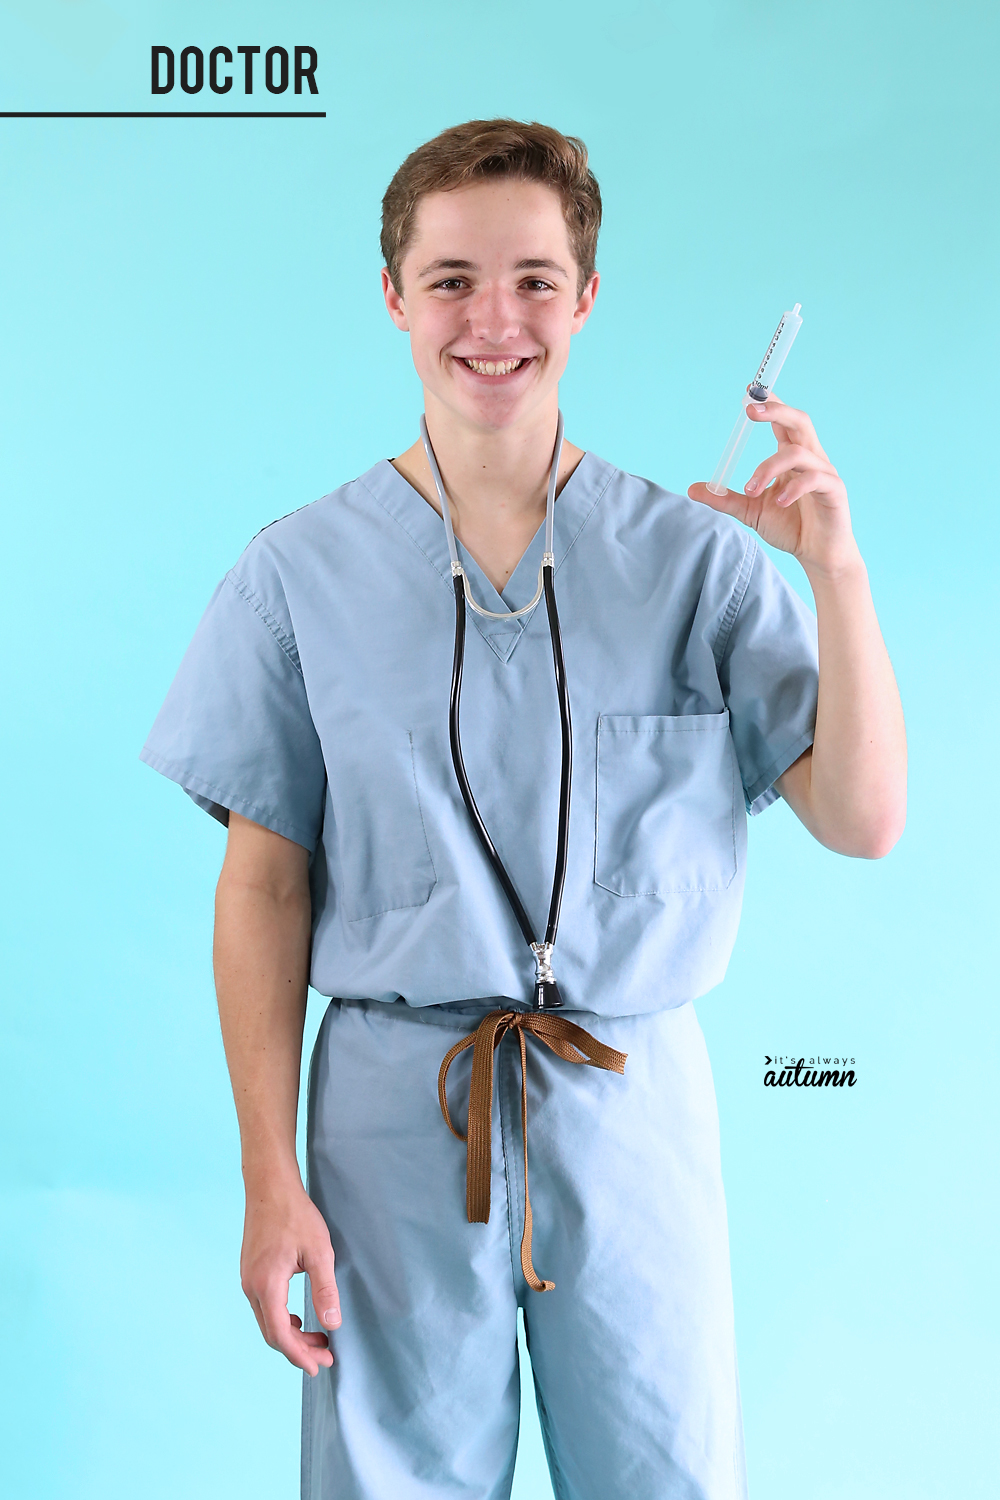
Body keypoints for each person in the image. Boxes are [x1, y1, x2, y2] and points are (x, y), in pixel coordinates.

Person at [140, 119, 906, 1500]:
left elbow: (862, 817)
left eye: (536, 280)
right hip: (389, 1115)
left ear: (587, 297)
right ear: (393, 295)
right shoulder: (297, 576)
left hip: (629, 1105)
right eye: (450, 280)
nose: (494, 319)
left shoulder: (693, 562)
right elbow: (262, 886)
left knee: (665, 1477)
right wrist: (269, 1177)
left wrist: (833, 574)